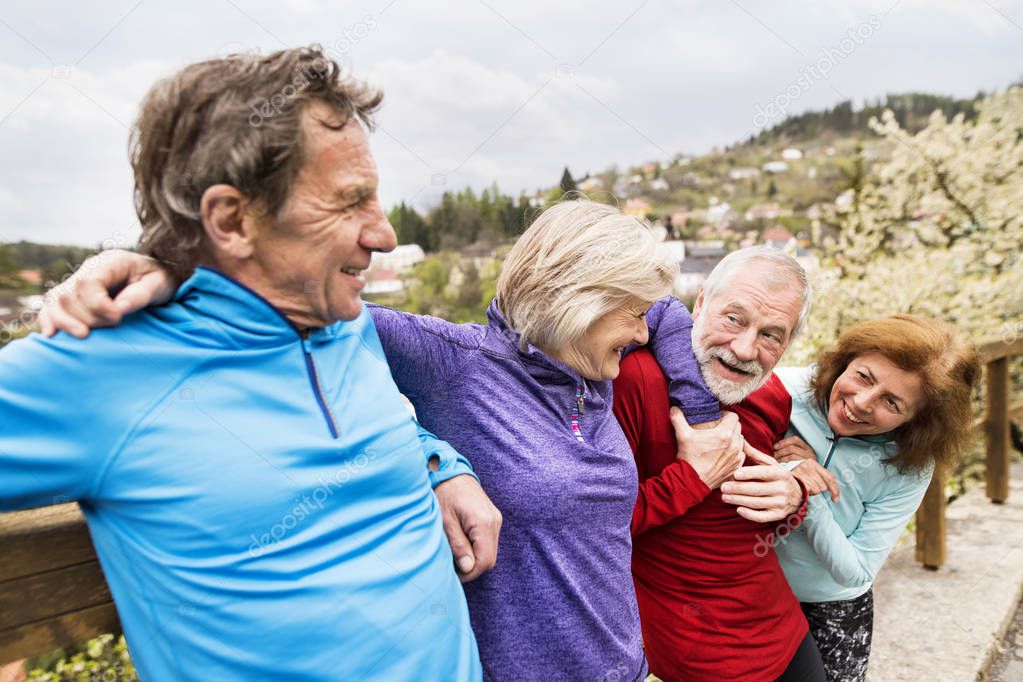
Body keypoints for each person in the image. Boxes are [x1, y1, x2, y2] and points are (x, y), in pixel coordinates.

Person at [35, 199, 808, 680]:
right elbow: (297, 304)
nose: (646, 327)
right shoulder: (455, 362)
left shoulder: (597, 373)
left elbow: (677, 317)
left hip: (621, 666)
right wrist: (165, 266)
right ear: (578, 301)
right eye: (629, 310)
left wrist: (718, 426)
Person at [0, 47, 500, 681]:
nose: (384, 235)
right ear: (232, 220)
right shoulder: (100, 368)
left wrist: (440, 464)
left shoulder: (341, 321)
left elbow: (381, 420)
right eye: (350, 203)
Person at [612, 246, 826, 681]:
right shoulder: (635, 382)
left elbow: (751, 513)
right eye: (734, 318)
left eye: (771, 334)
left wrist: (793, 495)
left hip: (781, 628)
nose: (745, 349)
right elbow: (593, 525)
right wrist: (689, 478)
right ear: (701, 300)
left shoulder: (772, 396)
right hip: (697, 649)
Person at [772, 315, 980, 681]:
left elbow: (855, 572)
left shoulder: (910, 466)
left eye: (893, 403)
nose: (862, 402)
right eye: (863, 376)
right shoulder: (780, 392)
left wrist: (807, 493)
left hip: (833, 608)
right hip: (753, 591)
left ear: (919, 420)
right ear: (844, 360)